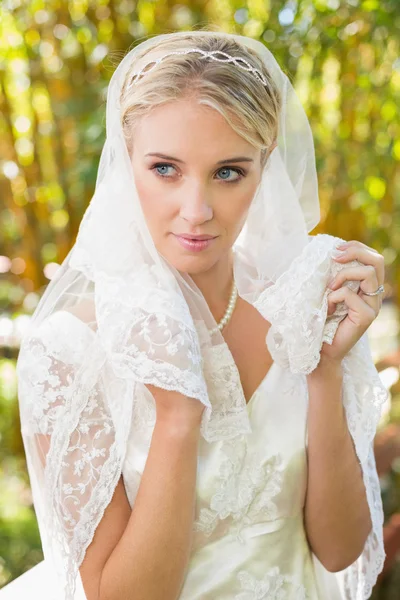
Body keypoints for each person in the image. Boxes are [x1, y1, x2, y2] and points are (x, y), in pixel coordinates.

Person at [12, 30, 388, 600]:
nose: (197, 212)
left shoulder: (302, 307)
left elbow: (338, 549)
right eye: (165, 169)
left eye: (228, 172)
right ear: (124, 163)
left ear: (265, 168)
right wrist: (178, 414)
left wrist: (325, 369)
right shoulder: (70, 349)